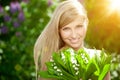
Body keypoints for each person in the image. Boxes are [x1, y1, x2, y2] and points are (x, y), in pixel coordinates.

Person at [34, 0, 110, 80]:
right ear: (58, 30)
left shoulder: (100, 59)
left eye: (78, 26)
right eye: (66, 29)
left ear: (86, 23)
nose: (74, 35)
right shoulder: (53, 64)